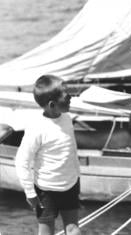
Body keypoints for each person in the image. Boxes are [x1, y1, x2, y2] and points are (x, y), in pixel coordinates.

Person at [15, 75, 81, 235]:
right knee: (46, 230)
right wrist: (30, 192)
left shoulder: (67, 118)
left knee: (73, 229)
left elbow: (70, 150)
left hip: (70, 185)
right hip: (45, 191)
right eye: (66, 95)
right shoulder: (37, 128)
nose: (71, 97)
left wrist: (76, 175)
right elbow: (22, 161)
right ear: (52, 105)